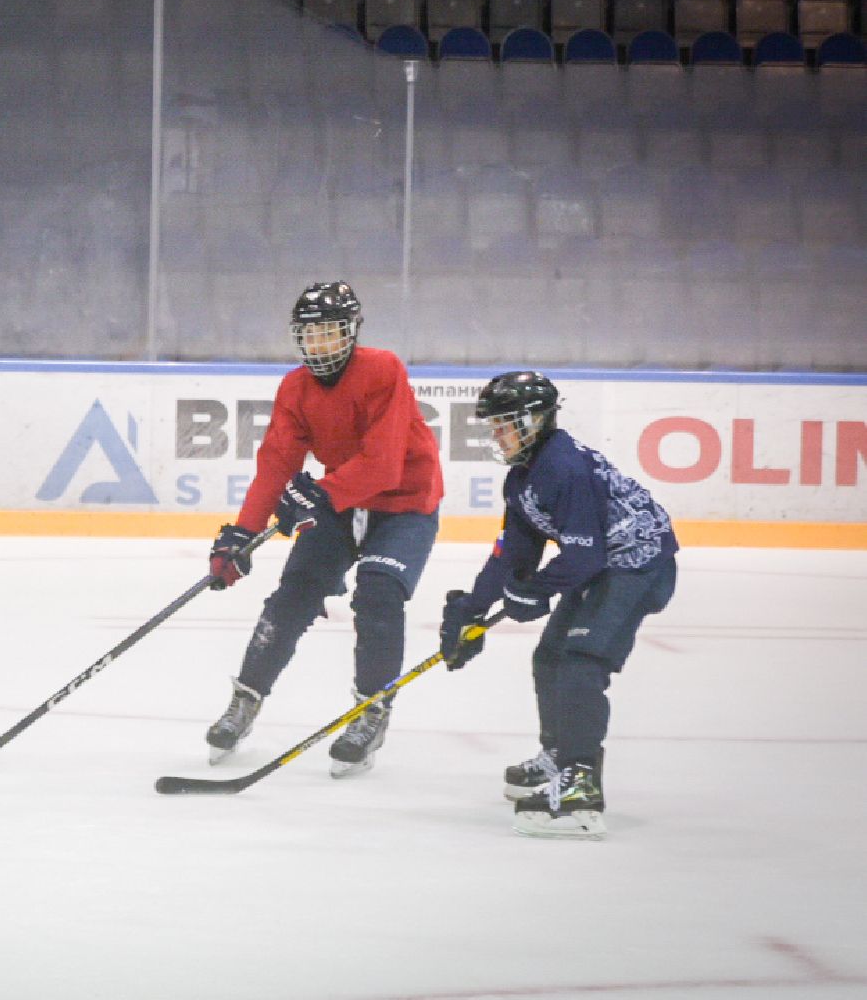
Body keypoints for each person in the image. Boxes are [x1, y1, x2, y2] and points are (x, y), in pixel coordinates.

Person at [204, 281, 443, 775]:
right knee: (293, 596)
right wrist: (241, 535)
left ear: (352, 332)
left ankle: (371, 710)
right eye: (309, 336)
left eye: (330, 334)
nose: (320, 347)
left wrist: (321, 493)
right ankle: (246, 698)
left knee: (378, 595)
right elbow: (276, 463)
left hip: (404, 506)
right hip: (338, 504)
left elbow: (383, 466)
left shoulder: (383, 369)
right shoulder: (295, 387)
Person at [439, 371, 677, 840]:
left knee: (580, 662)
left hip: (636, 567)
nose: (496, 434)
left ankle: (580, 786)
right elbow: (515, 553)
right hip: (603, 566)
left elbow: (583, 555)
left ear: (533, 420)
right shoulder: (523, 478)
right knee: (549, 657)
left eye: (504, 424)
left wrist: (537, 589)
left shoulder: (564, 468)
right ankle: (560, 755)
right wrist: (472, 608)